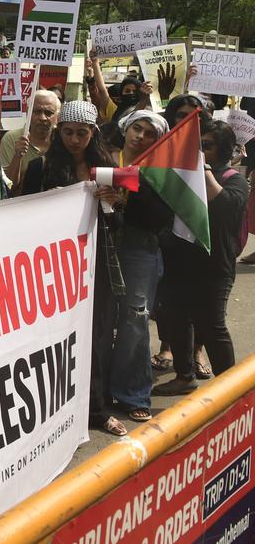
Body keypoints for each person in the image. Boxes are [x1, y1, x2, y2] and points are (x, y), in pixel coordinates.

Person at [21, 100, 129, 436]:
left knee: (96, 337)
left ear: (93, 133)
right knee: (55, 338)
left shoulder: (109, 168)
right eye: (67, 132)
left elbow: (122, 222)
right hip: (54, 268)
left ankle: (95, 410)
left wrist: (114, 202)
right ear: (58, 132)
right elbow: (22, 215)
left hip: (96, 266)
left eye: (81, 133)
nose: (74, 139)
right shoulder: (41, 168)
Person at [153, 119, 249, 396]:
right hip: (179, 263)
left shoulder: (235, 180)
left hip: (214, 268)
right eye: (196, 145)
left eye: (205, 146)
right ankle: (185, 377)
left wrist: (203, 172)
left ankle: (228, 390)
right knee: (177, 320)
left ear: (223, 149)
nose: (198, 150)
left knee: (212, 325)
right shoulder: (179, 176)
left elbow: (224, 209)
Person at [106, 111, 174, 422]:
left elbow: (160, 218)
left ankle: (132, 393)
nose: (141, 136)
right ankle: (99, 389)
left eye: (149, 133)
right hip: (101, 246)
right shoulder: (105, 157)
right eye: (137, 128)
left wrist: (124, 195)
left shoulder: (160, 173)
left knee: (134, 319)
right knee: (100, 319)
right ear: (126, 128)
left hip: (139, 249)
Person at [1, 89, 61, 189]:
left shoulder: (63, 139)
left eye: (48, 113)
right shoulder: (12, 138)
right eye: (37, 112)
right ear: (28, 113)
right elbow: (9, 187)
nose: (42, 118)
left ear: (57, 117)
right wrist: (17, 157)